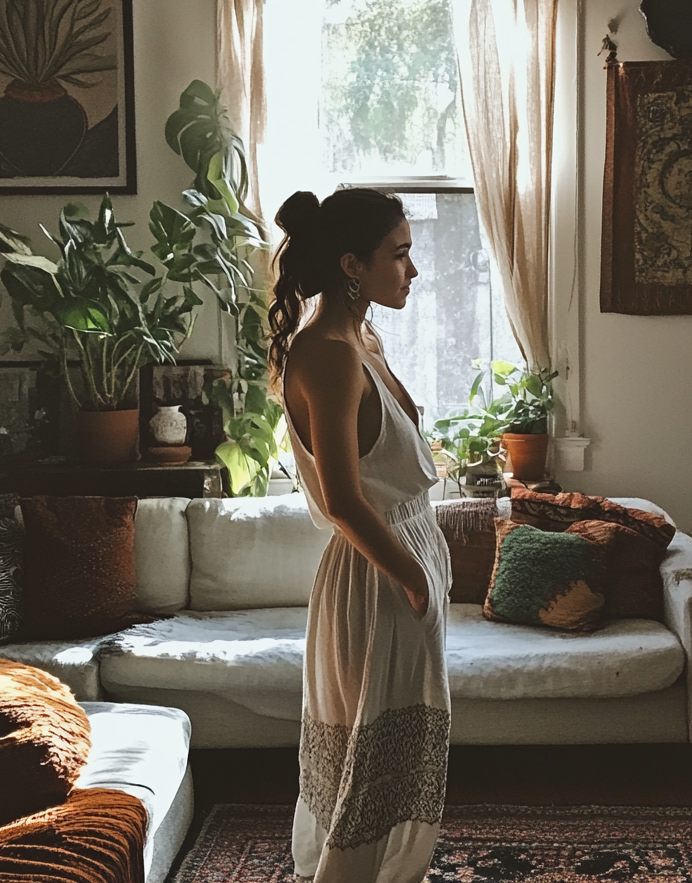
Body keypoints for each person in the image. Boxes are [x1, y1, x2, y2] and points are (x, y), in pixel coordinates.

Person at [269, 188, 451, 883]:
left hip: (401, 559)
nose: (413, 269)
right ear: (352, 264)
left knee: (398, 755)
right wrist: (411, 576)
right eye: (399, 254)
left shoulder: (360, 339)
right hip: (379, 578)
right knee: (375, 761)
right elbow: (344, 498)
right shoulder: (328, 354)